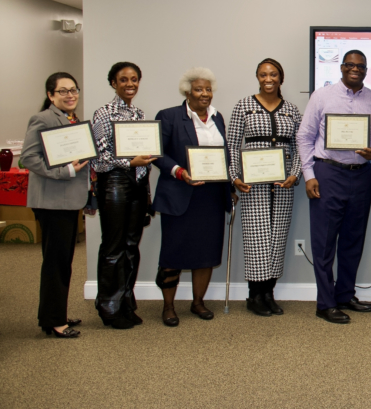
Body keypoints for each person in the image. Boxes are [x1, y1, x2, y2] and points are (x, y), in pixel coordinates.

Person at [297, 50, 371, 324]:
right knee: (324, 242)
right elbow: (304, 136)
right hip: (327, 173)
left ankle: (344, 294)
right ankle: (325, 303)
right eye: (350, 65)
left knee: (354, 239)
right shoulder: (322, 96)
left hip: (362, 175)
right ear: (341, 68)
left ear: (366, 70)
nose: (355, 69)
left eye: (360, 66)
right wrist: (308, 174)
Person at [152, 68, 234, 326]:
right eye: (199, 89)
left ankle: (198, 303)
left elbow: (225, 155)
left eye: (208, 89)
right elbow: (158, 153)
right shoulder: (169, 116)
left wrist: (231, 185)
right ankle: (168, 306)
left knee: (206, 252)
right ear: (187, 92)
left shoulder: (217, 117)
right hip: (181, 194)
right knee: (172, 253)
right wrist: (179, 172)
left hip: (210, 196)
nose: (205, 94)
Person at [228, 58, 301, 317]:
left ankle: (268, 293)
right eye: (262, 75)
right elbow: (232, 144)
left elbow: (300, 146)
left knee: (277, 239)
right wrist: (234, 177)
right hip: (253, 186)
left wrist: (295, 175)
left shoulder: (291, 110)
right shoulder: (244, 106)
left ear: (281, 78)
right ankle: (254, 295)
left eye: (273, 74)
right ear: (257, 77)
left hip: (282, 186)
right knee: (257, 240)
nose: (268, 79)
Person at [20, 72, 90, 338]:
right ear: (51, 95)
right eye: (63, 91)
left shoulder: (72, 120)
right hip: (52, 202)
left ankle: (55, 313)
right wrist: (64, 172)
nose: (70, 95)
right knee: (56, 262)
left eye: (73, 90)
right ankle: (54, 321)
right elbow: (29, 157)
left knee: (62, 261)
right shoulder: (43, 118)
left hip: (68, 201)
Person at [92, 62, 155, 330]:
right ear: (113, 83)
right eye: (123, 80)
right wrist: (131, 162)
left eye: (134, 79)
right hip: (115, 183)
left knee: (131, 246)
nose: (130, 84)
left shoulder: (139, 113)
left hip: (138, 184)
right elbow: (99, 159)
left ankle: (125, 301)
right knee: (113, 246)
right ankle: (108, 305)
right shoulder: (103, 114)